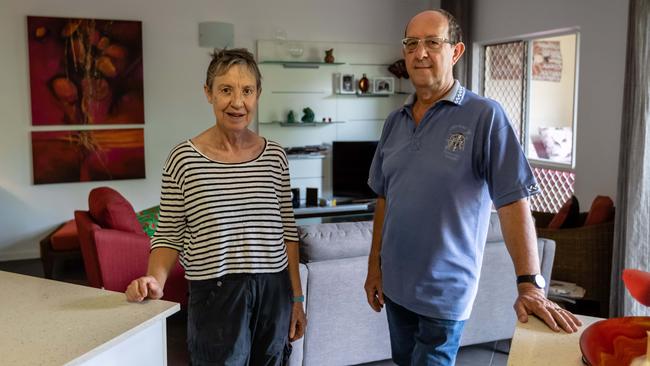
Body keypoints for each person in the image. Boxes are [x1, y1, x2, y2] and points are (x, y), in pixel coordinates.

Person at [363, 9, 582, 366]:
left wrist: (530, 283)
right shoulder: (394, 121)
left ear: (456, 52)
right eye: (412, 43)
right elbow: (385, 199)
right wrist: (375, 267)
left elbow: (513, 202)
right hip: (396, 288)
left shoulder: (485, 116)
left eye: (433, 42)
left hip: (444, 295)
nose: (421, 53)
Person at [125, 48, 306, 365]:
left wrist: (296, 298)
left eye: (247, 91)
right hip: (215, 295)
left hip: (273, 291)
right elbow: (168, 234)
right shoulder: (184, 159)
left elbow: (287, 232)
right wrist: (155, 280)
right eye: (226, 90)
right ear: (208, 93)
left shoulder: (275, 156)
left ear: (258, 94)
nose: (238, 102)